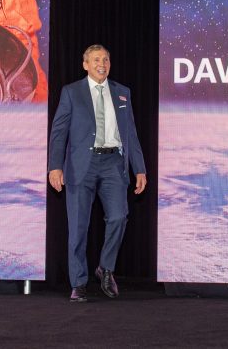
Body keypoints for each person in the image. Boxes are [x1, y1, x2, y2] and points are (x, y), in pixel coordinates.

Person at [47, 44, 147, 302]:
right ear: (85, 65)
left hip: (114, 164)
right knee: (78, 227)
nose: (101, 63)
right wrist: (55, 166)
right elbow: (59, 133)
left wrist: (140, 169)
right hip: (83, 165)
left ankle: (105, 267)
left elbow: (131, 134)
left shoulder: (122, 93)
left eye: (105, 59)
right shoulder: (71, 92)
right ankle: (78, 283)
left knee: (118, 217)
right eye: (95, 60)